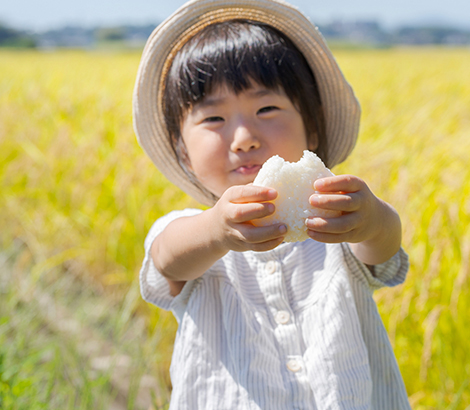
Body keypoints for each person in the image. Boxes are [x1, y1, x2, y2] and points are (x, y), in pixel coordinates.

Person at [133, 0, 410, 408]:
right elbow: (166, 260)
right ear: (184, 152)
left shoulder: (334, 225)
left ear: (311, 129)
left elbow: (382, 251)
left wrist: (371, 221)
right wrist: (218, 231)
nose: (244, 137)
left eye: (267, 109)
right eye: (214, 120)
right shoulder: (193, 231)